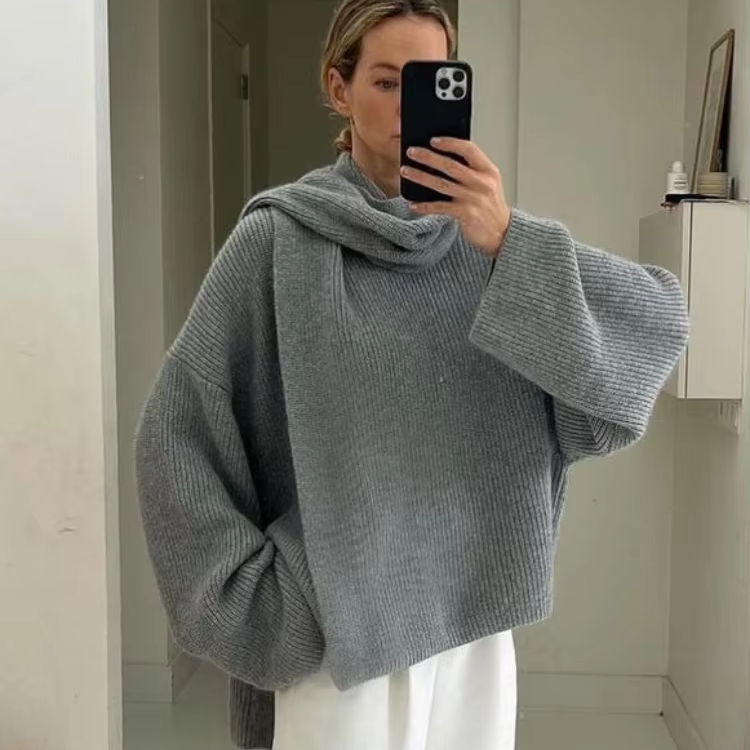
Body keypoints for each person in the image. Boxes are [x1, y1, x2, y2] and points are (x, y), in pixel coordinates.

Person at [135, 1, 689, 748]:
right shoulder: (279, 241)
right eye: (388, 81)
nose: (407, 106)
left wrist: (507, 240)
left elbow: (645, 341)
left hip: (472, 631)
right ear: (339, 88)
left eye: (430, 81)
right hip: (339, 646)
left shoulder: (490, 246)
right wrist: (255, 608)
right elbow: (176, 433)